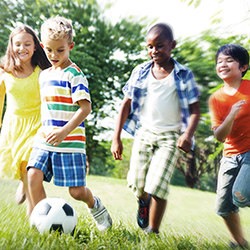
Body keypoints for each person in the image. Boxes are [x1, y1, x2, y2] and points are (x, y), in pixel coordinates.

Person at [111, 23, 200, 234]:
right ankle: (144, 202)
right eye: (150, 47)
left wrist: (188, 134)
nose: (154, 51)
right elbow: (126, 104)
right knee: (136, 184)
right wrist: (117, 137)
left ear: (172, 45)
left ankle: (153, 231)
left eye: (160, 46)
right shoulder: (140, 72)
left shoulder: (183, 74)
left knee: (158, 184)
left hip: (171, 137)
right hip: (144, 133)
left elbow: (195, 110)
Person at [27, 16, 112, 231]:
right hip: (45, 139)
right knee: (33, 176)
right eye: (49, 50)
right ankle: (41, 222)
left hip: (70, 142)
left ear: (70, 46)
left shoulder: (75, 75)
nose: (54, 56)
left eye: (60, 50)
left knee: (76, 192)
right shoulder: (44, 75)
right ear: (42, 47)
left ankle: (97, 207)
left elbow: (86, 108)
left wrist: (64, 131)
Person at [0, 24, 51, 215]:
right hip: (13, 126)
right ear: (11, 45)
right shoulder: (4, 69)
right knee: (24, 171)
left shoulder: (43, 70)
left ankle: (36, 218)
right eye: (18, 44)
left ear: (36, 46)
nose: (22, 49)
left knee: (32, 169)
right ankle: (24, 184)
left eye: (27, 44)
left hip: (37, 125)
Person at [209, 44, 250, 248]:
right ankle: (240, 243)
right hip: (230, 156)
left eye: (229, 60)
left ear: (243, 67)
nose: (222, 64)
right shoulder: (216, 98)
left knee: (240, 195)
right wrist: (231, 115)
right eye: (219, 61)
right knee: (223, 207)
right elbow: (219, 135)